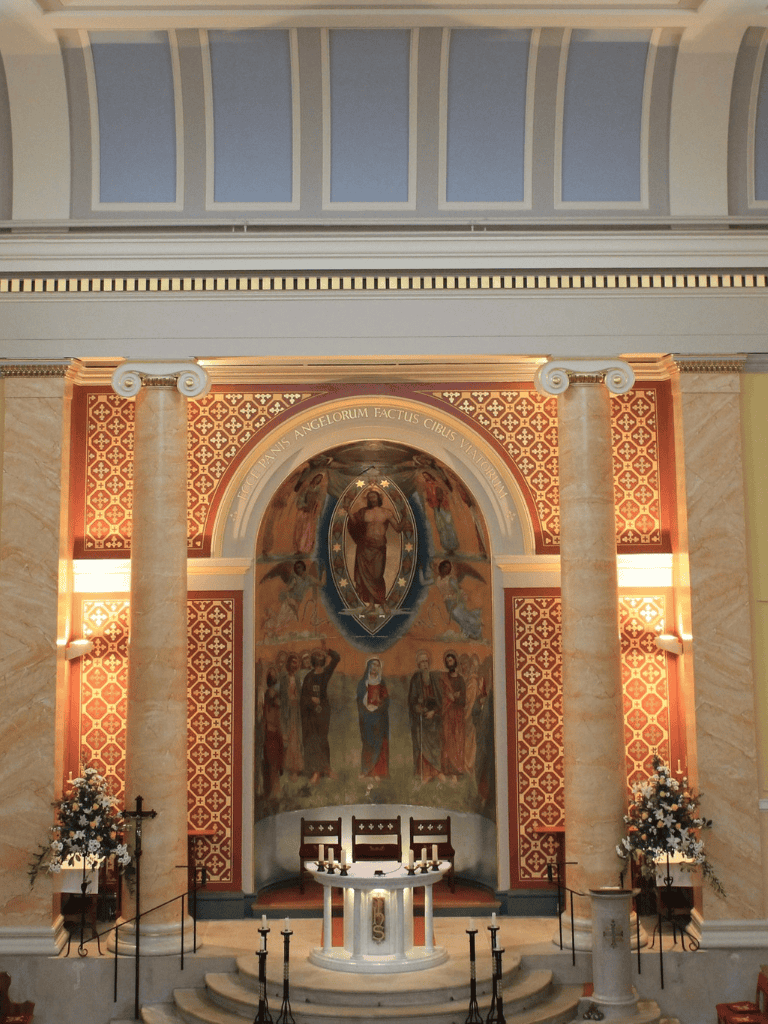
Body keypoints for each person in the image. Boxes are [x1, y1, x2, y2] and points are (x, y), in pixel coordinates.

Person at [345, 487, 407, 612]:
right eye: (369, 497)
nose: (372, 499)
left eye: (374, 496)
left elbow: (398, 528)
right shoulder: (364, 512)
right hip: (365, 547)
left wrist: (405, 516)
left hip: (378, 547)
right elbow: (355, 524)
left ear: (379, 498)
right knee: (366, 577)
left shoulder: (386, 512)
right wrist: (349, 512)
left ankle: (383, 603)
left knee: (377, 576)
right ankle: (372, 605)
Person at [300, 647, 341, 783]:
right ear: (313, 662)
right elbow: (303, 698)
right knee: (313, 741)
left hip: (323, 712)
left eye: (321, 657)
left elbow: (336, 658)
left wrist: (329, 651)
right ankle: (316, 772)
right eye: (316, 657)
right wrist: (311, 700)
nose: (319, 660)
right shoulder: (309, 677)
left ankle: (326, 769)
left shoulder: (325, 674)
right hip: (311, 714)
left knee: (323, 740)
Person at [407, 650, 444, 783]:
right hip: (422, 719)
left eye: (426, 661)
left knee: (436, 745)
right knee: (424, 745)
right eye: (422, 662)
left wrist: (434, 712)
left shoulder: (434, 678)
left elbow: (441, 699)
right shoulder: (416, 679)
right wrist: (420, 709)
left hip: (434, 718)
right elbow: (412, 701)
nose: (425, 664)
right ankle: (426, 774)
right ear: (418, 664)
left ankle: (437, 771)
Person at [356, 657, 390, 779]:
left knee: (379, 743)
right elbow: (359, 701)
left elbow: (386, 701)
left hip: (379, 717)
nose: (374, 667)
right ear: (368, 667)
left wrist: (378, 708)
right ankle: (366, 770)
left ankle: (377, 772)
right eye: (373, 665)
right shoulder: (362, 683)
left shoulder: (381, 683)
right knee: (368, 743)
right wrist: (366, 709)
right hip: (366, 718)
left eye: (377, 665)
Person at [439, 649, 466, 781]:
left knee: (457, 743)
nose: (449, 663)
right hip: (447, 715)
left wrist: (454, 699)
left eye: (451, 660)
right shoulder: (443, 679)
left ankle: (455, 773)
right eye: (447, 661)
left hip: (458, 716)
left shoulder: (461, 680)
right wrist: (449, 697)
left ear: (455, 661)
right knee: (447, 742)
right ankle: (446, 771)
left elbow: (463, 700)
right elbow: (441, 697)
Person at [279, 652, 304, 779]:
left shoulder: (298, 679)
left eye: (297, 662)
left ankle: (295, 768)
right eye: (293, 662)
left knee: (295, 739)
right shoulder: (283, 679)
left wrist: (297, 699)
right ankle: (286, 766)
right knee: (286, 738)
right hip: (286, 713)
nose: (296, 665)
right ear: (289, 664)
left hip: (296, 713)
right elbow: (282, 698)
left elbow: (299, 695)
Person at [421, 471, 459, 554]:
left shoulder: (437, 483)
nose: (426, 477)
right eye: (424, 476)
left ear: (430, 475)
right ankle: (446, 547)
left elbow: (444, 492)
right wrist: (429, 500)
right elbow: (428, 495)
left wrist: (442, 500)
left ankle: (453, 546)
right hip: (436, 508)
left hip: (443, 507)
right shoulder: (427, 485)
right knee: (441, 527)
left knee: (448, 525)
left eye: (426, 475)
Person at [262, 667, 283, 798]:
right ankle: (273, 791)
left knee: (275, 761)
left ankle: (275, 790)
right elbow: (274, 710)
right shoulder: (270, 694)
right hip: (271, 731)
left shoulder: (273, 693)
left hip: (274, 730)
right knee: (272, 762)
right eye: (272, 675)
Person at [293, 472, 325, 555]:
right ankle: (299, 549)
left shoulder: (319, 489)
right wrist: (303, 505)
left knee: (308, 530)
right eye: (316, 478)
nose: (317, 480)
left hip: (311, 512)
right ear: (314, 478)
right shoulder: (307, 487)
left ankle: (306, 549)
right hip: (304, 510)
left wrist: (315, 509)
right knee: (300, 530)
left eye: (319, 480)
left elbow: (319, 501)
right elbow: (301, 497)